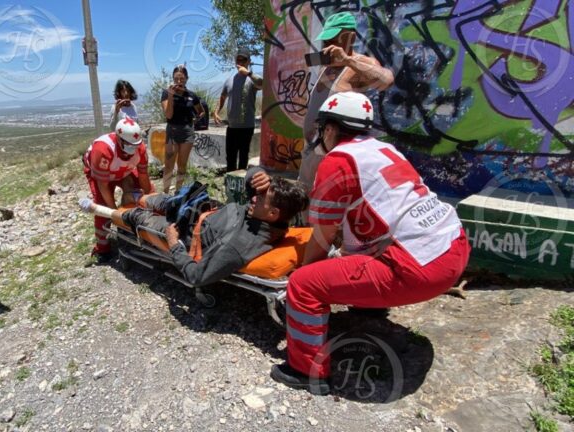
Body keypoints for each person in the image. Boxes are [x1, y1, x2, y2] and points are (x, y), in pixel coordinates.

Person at [269, 92, 470, 395]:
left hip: (419, 268)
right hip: (453, 245)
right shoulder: (385, 149)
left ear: (330, 128)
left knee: (304, 284)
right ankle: (369, 308)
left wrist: (303, 279)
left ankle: (307, 371)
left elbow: (322, 235)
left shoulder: (337, 161)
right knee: (359, 251)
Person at [80, 168, 308, 286]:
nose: (254, 198)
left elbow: (197, 276)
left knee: (139, 217)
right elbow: (253, 183)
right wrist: (257, 176)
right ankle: (134, 195)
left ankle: (103, 211)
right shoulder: (264, 215)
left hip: (184, 231)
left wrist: (173, 244)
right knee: (156, 200)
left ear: (273, 213)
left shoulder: (241, 245)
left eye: (261, 197)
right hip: (199, 207)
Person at [299, 11, 394, 191]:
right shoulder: (326, 67)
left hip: (334, 155)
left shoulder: (359, 64)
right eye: (325, 41)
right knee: (304, 204)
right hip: (312, 153)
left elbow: (386, 80)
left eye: (332, 40)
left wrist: (348, 60)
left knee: (328, 206)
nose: (327, 45)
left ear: (349, 37)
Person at [82, 117, 153, 261]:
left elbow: (143, 176)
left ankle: (140, 230)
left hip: (123, 171)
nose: (132, 149)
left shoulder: (140, 148)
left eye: (135, 145)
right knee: (102, 209)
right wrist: (113, 213)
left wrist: (150, 198)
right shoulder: (103, 150)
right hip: (102, 175)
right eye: (129, 146)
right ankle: (103, 249)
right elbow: (102, 185)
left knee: (145, 194)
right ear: (119, 139)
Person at [213, 48, 263, 172]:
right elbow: (223, 96)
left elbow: (262, 84)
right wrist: (215, 112)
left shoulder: (251, 80)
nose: (240, 62)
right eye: (238, 59)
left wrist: (248, 73)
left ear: (249, 61)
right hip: (232, 126)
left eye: (243, 59)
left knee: (243, 158)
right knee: (230, 157)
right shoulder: (229, 80)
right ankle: (230, 183)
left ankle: (241, 184)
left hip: (247, 126)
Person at [161, 65, 205, 193]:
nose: (179, 82)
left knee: (182, 165)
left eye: (182, 79)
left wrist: (196, 119)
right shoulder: (166, 93)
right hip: (172, 131)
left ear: (186, 79)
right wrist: (170, 95)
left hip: (187, 132)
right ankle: (165, 193)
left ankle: (178, 192)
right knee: (169, 165)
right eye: (176, 79)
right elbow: (168, 114)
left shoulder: (191, 95)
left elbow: (201, 111)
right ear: (173, 79)